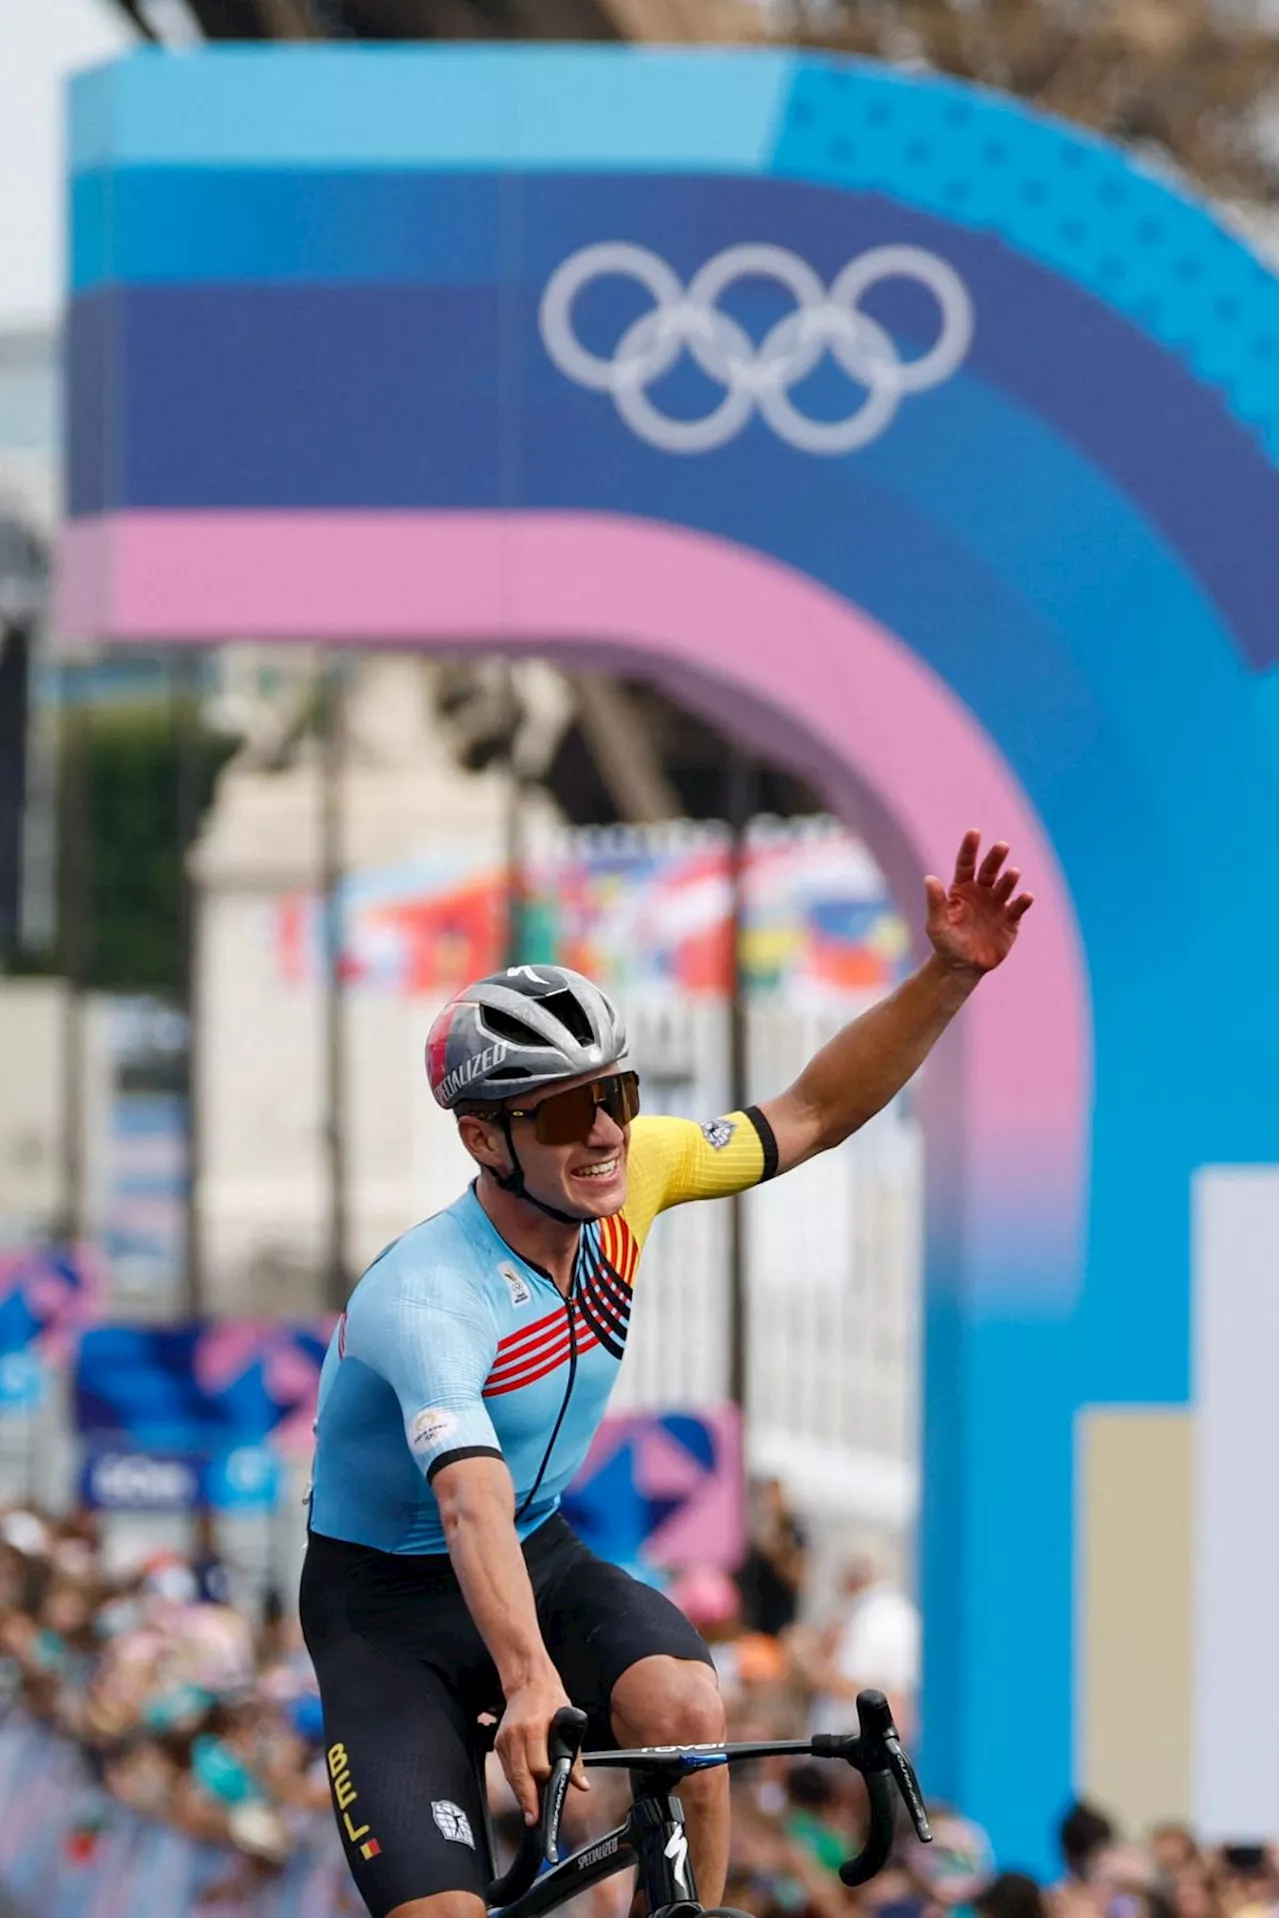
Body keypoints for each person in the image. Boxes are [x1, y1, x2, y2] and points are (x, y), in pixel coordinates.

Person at [300, 831, 1033, 1918]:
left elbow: (812, 1112)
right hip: (386, 1608)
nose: (602, 1132)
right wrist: (528, 1677)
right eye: (559, 1111)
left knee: (688, 1702)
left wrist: (948, 973)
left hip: (534, 1554)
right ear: (481, 1138)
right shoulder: (425, 1295)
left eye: (617, 1094)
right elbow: (466, 1498)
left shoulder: (634, 1168)